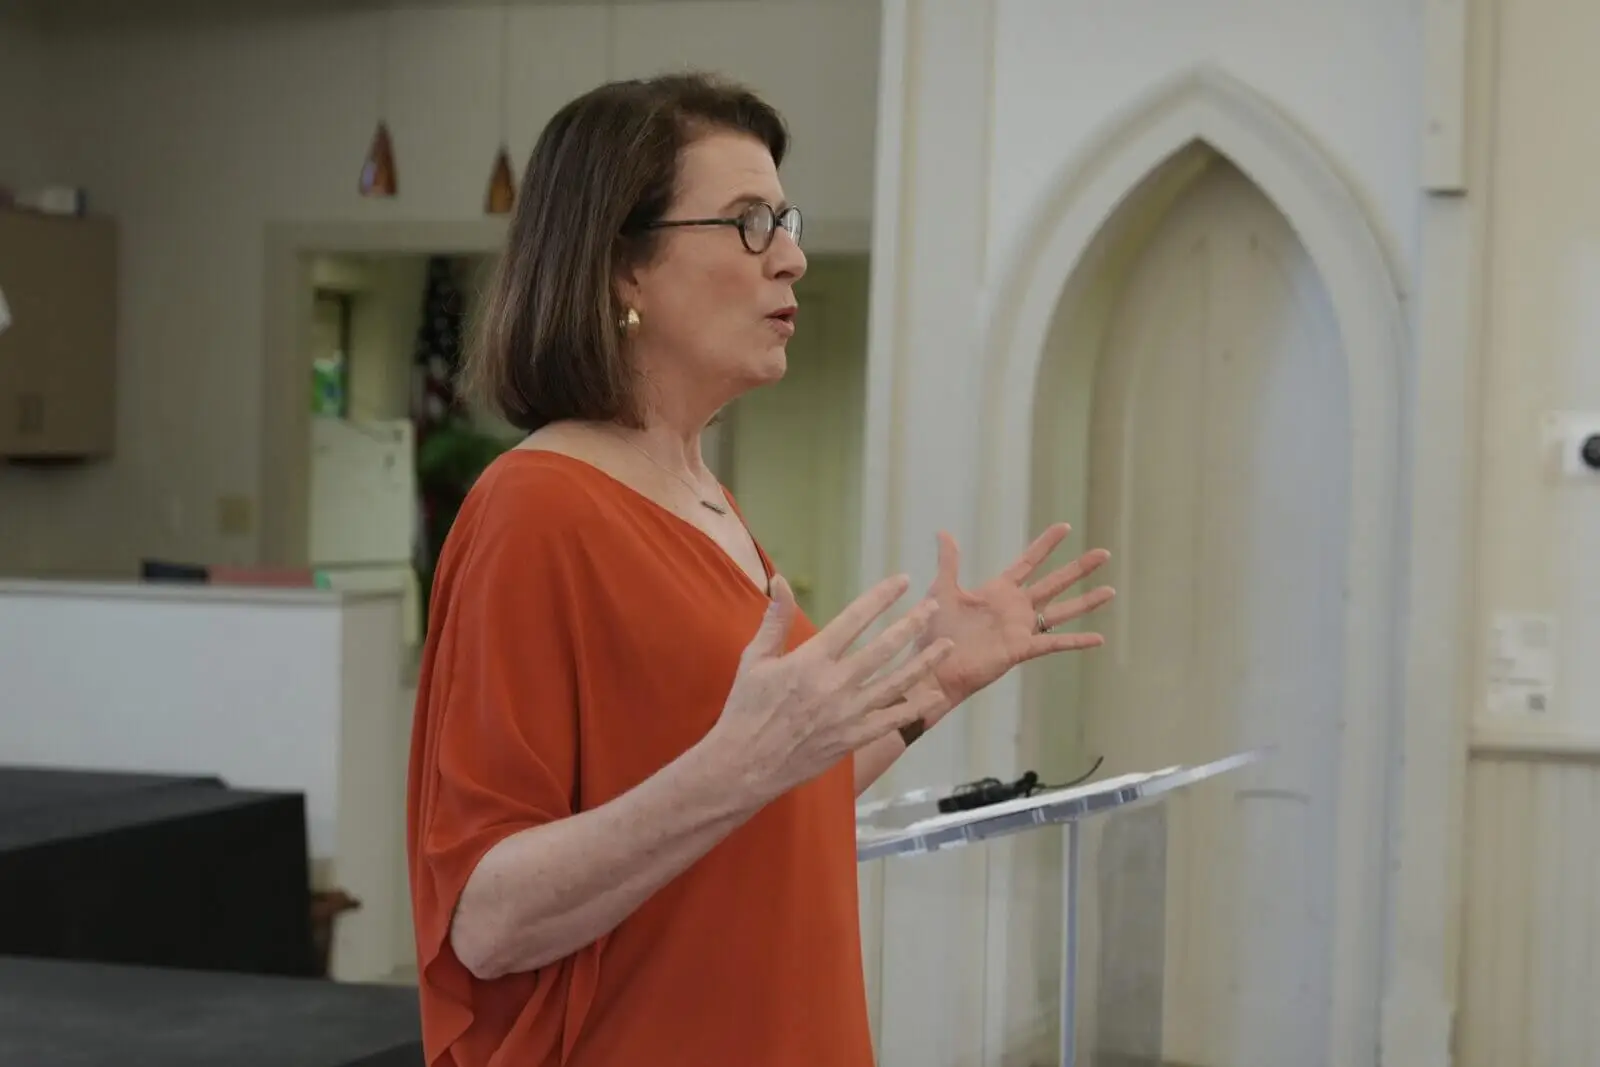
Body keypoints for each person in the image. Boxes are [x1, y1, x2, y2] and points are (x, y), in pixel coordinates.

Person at [404, 72, 1115, 1067]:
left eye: (785, 219)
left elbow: (770, 801)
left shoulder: (701, 491)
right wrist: (737, 764)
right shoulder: (536, 509)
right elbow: (483, 916)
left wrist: (927, 686)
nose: (792, 256)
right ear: (623, 267)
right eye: (747, 223)